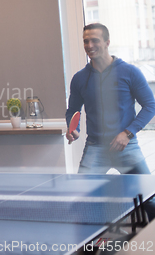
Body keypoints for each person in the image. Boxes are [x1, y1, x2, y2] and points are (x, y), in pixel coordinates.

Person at [66, 23, 155, 216]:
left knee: (150, 200)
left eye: (94, 40)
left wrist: (128, 133)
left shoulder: (130, 72)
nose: (89, 45)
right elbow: (73, 110)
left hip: (126, 146)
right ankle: (94, 243)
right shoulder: (80, 78)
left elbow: (150, 106)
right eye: (85, 41)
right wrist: (73, 127)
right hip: (95, 147)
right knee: (82, 202)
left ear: (107, 42)